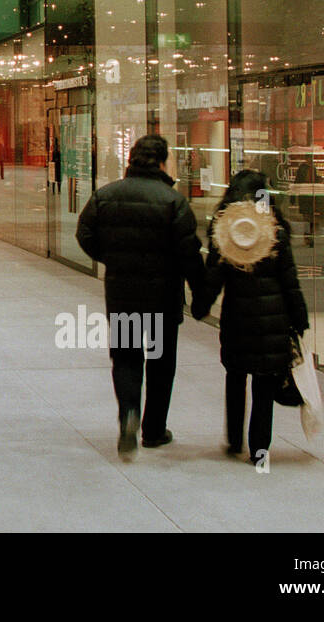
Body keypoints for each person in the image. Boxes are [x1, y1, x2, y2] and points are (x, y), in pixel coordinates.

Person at [75, 134, 206, 461]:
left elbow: (85, 234)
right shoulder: (173, 201)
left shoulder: (106, 195)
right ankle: (154, 430)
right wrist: (202, 293)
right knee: (161, 363)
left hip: (123, 295)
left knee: (127, 358)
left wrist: (113, 258)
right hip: (163, 298)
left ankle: (128, 415)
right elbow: (190, 253)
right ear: (162, 162)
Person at [192, 170, 310, 467]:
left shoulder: (224, 233)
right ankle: (260, 450)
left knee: (235, 376)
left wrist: (200, 305)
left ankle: (234, 439)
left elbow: (213, 277)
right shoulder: (276, 231)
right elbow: (290, 282)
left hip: (237, 319)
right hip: (273, 320)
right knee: (264, 385)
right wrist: (300, 318)